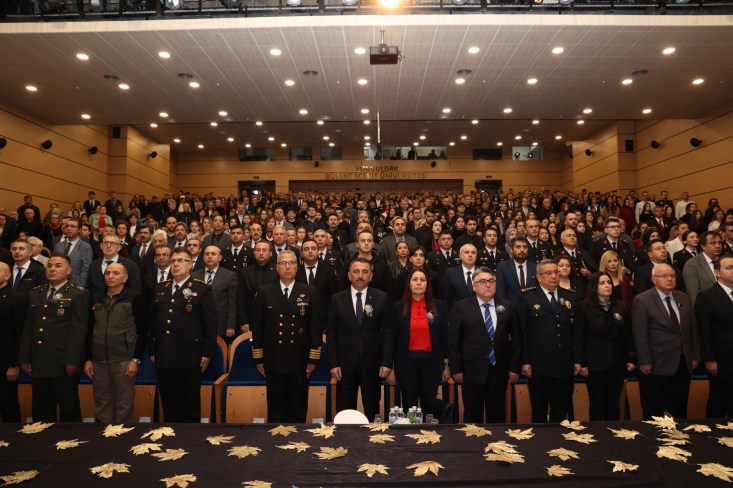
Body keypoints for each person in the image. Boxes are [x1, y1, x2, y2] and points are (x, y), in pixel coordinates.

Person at [252, 250, 323, 423]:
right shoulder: (264, 291)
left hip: (300, 359)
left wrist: (313, 359)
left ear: (297, 267)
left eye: (291, 263)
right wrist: (258, 358)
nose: (288, 267)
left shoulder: (310, 291)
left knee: (298, 407)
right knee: (275, 407)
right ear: (277, 267)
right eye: (283, 263)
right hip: (273, 358)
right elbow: (258, 328)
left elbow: (315, 328)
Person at [19, 254, 90, 422]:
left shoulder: (78, 293)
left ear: (68, 270)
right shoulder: (36, 292)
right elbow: (29, 328)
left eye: (58, 266)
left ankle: (71, 439)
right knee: (41, 409)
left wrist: (71, 359)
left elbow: (79, 330)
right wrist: (25, 357)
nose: (52, 269)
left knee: (68, 408)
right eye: (49, 265)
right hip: (39, 358)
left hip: (63, 360)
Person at [149, 247, 217, 423]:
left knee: (189, 406)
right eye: (173, 261)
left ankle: (189, 438)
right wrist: (153, 351)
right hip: (164, 355)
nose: (176, 264)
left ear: (190, 264)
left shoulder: (201, 289)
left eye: (181, 261)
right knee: (169, 405)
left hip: (189, 356)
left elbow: (210, 325)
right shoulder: (160, 288)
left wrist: (207, 353)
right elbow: (153, 324)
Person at [448, 267, 520, 423]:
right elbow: (453, 341)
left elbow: (516, 340)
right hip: (471, 371)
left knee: (497, 416)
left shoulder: (507, 306)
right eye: (483, 281)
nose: (488, 284)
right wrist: (456, 369)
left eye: (491, 281)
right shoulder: (461, 307)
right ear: (474, 286)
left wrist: (514, 367)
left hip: (499, 370)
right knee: (473, 417)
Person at [516, 259, 582, 423]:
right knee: (539, 411)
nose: (554, 276)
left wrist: (577, 359)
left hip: (564, 363)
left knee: (561, 411)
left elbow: (577, 332)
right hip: (539, 364)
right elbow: (521, 333)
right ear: (539, 277)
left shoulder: (570, 296)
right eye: (549, 273)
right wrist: (524, 361)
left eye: (556, 272)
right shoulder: (527, 297)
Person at [327, 258, 392, 422]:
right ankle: (345, 438)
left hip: (373, 364)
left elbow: (388, 332)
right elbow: (332, 334)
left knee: (372, 407)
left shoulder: (382, 298)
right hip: (344, 365)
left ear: (371, 276)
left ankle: (372, 438)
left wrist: (386, 362)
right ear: (349, 275)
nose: (360, 275)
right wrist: (333, 363)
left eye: (364, 272)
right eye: (356, 271)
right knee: (345, 409)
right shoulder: (337, 299)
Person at [632, 263, 700, 419]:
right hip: (656, 364)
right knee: (654, 413)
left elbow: (692, 329)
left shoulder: (683, 297)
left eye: (672, 276)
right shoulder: (642, 300)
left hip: (682, 363)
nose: (669, 279)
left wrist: (695, 355)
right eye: (664, 276)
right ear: (653, 279)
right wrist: (644, 361)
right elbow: (640, 334)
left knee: (679, 411)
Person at [83, 263, 147, 423]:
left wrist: (135, 360)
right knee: (102, 404)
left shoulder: (134, 298)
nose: (111, 276)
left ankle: (123, 438)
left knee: (124, 405)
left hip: (124, 360)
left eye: (116, 273)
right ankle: (104, 437)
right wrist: (88, 358)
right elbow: (88, 330)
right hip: (99, 360)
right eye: (107, 273)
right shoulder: (96, 298)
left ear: (125, 278)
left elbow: (143, 331)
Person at [576, 272, 635, 421]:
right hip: (594, 364)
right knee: (597, 404)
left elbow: (627, 334)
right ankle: (597, 434)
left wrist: (631, 358)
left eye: (609, 282)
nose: (607, 286)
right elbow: (579, 337)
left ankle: (613, 434)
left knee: (613, 404)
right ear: (594, 287)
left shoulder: (621, 306)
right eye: (602, 283)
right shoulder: (584, 307)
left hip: (617, 362)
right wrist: (582, 362)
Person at [390, 269, 448, 416]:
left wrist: (446, 365)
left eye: (422, 280)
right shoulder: (398, 307)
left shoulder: (438, 305)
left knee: (429, 405)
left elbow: (444, 337)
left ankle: (428, 431)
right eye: (415, 279)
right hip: (406, 363)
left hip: (432, 363)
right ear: (409, 284)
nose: (419, 283)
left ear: (427, 284)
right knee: (409, 405)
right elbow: (392, 338)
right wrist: (391, 367)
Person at [694, 255, 733, 418]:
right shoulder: (707, 296)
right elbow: (703, 331)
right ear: (717, 272)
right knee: (718, 402)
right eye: (729, 268)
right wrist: (709, 359)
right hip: (721, 361)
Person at [191, 245, 241, 339]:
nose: (210, 256)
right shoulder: (194, 275)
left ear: (220, 257)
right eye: (207, 254)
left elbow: (233, 303)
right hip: (198, 323)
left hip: (220, 324)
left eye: (213, 254)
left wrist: (230, 325)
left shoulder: (230, 275)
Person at [0, 262, 27, 422]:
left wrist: (14, 364)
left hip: (5, 363)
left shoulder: (17, 298)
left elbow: (20, 333)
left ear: (7, 276)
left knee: (8, 404)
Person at [682, 230, 722, 306]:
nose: (718, 246)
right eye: (713, 243)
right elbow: (694, 295)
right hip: (708, 308)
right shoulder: (692, 264)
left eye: (719, 243)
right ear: (703, 246)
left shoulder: (725, 262)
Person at [496, 236, 537, 303]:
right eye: (518, 247)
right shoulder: (502, 267)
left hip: (532, 306)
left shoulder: (535, 267)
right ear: (511, 250)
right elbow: (500, 293)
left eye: (525, 247)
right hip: (510, 307)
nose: (522, 250)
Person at [53, 218, 92, 286]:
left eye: (73, 226)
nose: (69, 228)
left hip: (75, 285)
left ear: (79, 230)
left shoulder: (85, 247)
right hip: (57, 283)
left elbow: (86, 270)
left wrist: (80, 286)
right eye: (67, 226)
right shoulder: (58, 246)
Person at [441, 243, 479, 311]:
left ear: (476, 256)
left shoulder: (483, 272)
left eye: (473, 253)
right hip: (457, 313)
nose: (470, 255)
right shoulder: (450, 273)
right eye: (467, 252)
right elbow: (446, 299)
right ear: (460, 256)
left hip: (479, 313)